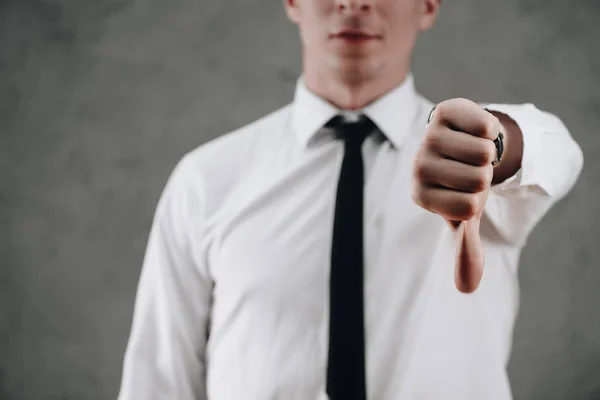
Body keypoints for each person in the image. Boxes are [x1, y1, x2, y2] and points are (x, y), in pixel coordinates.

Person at [117, 0, 584, 399]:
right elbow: (158, 382)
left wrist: (494, 144)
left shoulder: (482, 175)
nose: (353, 1)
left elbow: (556, 154)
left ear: (428, 4)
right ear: (293, 2)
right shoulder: (206, 180)